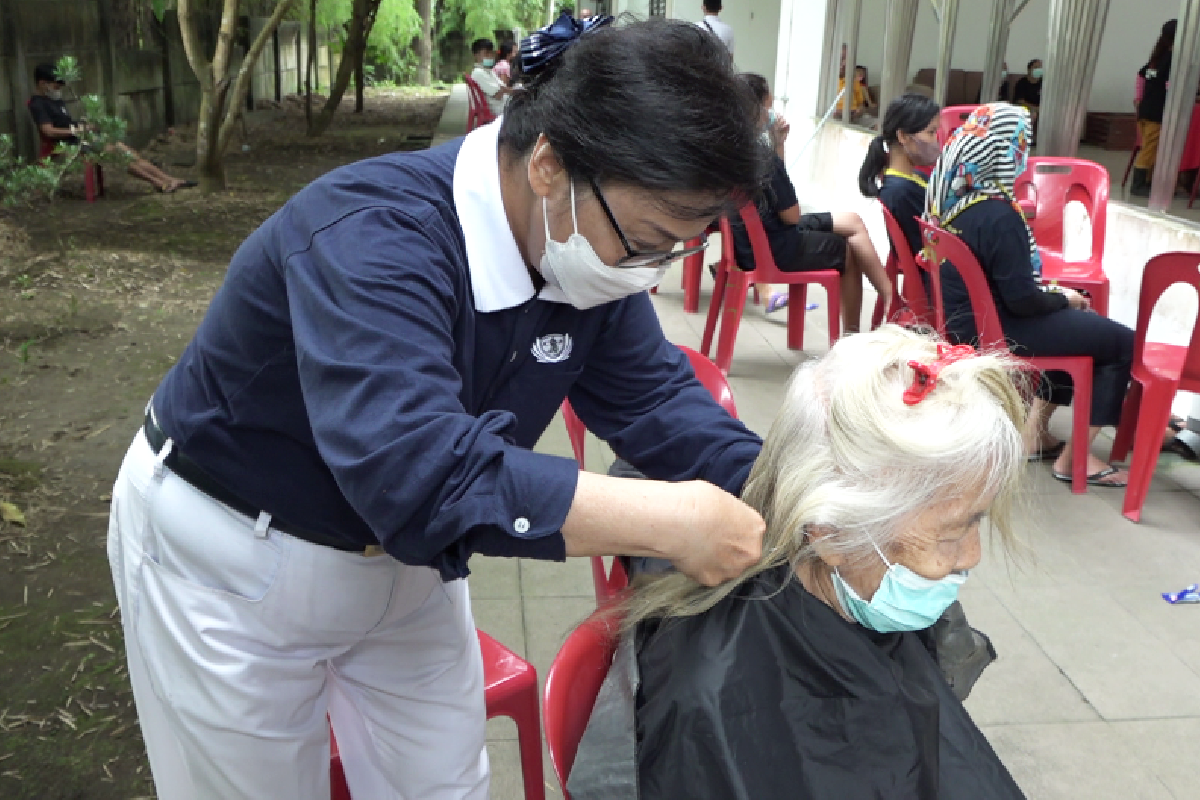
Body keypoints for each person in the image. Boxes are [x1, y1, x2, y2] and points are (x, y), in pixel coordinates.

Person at [106, 14, 770, 800]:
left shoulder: (590, 257)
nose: (651, 271)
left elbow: (658, 399)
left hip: (406, 564)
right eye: (649, 239)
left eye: (680, 248)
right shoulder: (374, 238)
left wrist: (794, 496)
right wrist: (671, 520)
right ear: (550, 166)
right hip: (232, 556)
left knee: (444, 782)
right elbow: (420, 476)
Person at [568, 325, 1029, 799]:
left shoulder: (867, 580)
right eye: (955, 532)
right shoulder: (714, 700)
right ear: (830, 535)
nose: (970, 557)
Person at [926, 103, 1135, 487]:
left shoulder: (956, 200)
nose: (1025, 152)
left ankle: (1034, 435)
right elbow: (1023, 300)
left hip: (969, 324)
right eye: (1021, 142)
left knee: (1077, 330)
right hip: (999, 330)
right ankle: (1076, 460)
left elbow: (1013, 290)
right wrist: (1063, 298)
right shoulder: (999, 214)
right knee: (1121, 342)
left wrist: (1057, 301)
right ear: (1003, 151)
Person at [736, 73, 891, 331]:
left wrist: (779, 144)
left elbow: (776, 193)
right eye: (768, 106)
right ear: (757, 108)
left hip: (748, 243)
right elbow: (792, 216)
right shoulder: (761, 156)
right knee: (847, 250)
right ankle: (855, 332)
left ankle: (887, 297)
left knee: (851, 220)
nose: (771, 112)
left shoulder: (733, 147)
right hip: (773, 246)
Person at [28, 63, 195, 194]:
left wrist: (86, 126)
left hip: (81, 138)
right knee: (118, 155)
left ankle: (169, 179)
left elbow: (65, 122)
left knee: (127, 152)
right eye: (56, 86)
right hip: (67, 144)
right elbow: (48, 131)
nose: (58, 90)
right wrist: (77, 131)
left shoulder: (54, 99)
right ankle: (159, 183)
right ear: (43, 84)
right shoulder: (38, 104)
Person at [859, 92, 942, 261]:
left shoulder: (914, 178)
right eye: (931, 132)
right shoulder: (900, 192)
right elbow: (924, 248)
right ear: (903, 136)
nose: (936, 140)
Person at [1131, 19, 1178, 197]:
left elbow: (1142, 75)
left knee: (1151, 147)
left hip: (1146, 109)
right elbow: (1169, 85)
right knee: (1149, 149)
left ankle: (1148, 182)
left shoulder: (1157, 57)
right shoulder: (1172, 59)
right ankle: (1138, 184)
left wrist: (1138, 98)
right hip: (1156, 112)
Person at [469, 38, 511, 117]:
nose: (490, 56)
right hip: (497, 108)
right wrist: (513, 91)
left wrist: (509, 90)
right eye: (486, 54)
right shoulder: (478, 73)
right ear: (476, 55)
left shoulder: (488, 71)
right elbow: (498, 94)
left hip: (503, 104)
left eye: (491, 53)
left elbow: (503, 87)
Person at [1012, 59, 1042, 130]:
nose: (1039, 70)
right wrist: (1035, 108)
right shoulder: (1022, 83)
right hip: (1025, 108)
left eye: (1040, 67)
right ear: (1029, 69)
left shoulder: (1043, 83)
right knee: (1032, 114)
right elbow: (1020, 101)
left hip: (1040, 109)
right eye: (1036, 67)